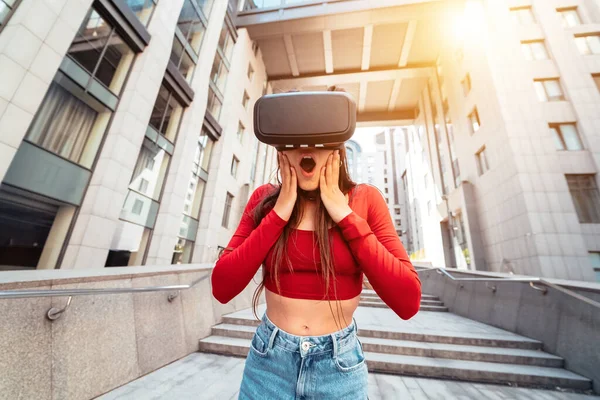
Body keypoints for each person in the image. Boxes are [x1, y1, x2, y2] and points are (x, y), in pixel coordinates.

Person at [211, 88, 421, 400]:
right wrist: (280, 211)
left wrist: (344, 214)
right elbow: (222, 286)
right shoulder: (264, 202)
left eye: (318, 139)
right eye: (294, 141)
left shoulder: (365, 200)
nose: (306, 151)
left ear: (337, 149)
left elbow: (408, 300)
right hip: (269, 363)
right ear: (281, 150)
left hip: (338, 366)